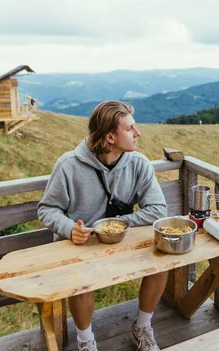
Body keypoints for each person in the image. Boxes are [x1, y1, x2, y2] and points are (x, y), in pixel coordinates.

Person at [38, 101, 168, 351]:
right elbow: (47, 209)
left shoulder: (138, 163)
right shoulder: (68, 165)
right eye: (130, 128)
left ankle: (142, 327)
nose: (137, 133)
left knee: (161, 262)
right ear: (110, 136)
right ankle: (86, 342)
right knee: (80, 278)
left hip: (120, 243)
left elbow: (158, 210)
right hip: (80, 247)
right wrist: (68, 228)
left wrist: (115, 225)